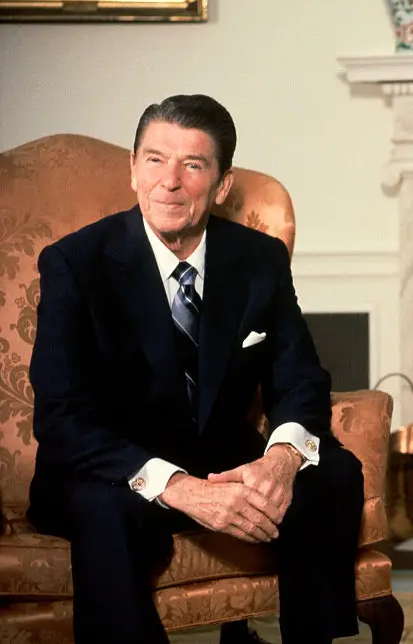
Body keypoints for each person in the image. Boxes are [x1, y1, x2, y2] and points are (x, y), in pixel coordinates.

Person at [27, 94, 364, 644]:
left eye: (193, 164)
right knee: (103, 508)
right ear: (133, 171)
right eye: (155, 160)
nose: (170, 182)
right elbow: (61, 419)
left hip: (222, 462)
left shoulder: (258, 259)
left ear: (222, 184)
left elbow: (300, 377)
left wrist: (280, 459)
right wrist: (176, 487)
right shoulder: (75, 264)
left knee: (333, 474)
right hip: (116, 470)